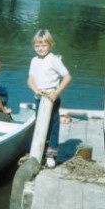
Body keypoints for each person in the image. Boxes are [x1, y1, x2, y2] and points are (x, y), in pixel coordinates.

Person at [27, 29, 72, 168]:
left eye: (43, 45)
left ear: (50, 44)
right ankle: (40, 151)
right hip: (39, 97)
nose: (40, 48)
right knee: (40, 125)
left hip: (52, 98)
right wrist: (36, 90)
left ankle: (51, 154)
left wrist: (56, 93)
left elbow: (67, 77)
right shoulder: (34, 60)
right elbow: (30, 80)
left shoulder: (53, 60)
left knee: (52, 126)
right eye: (37, 45)